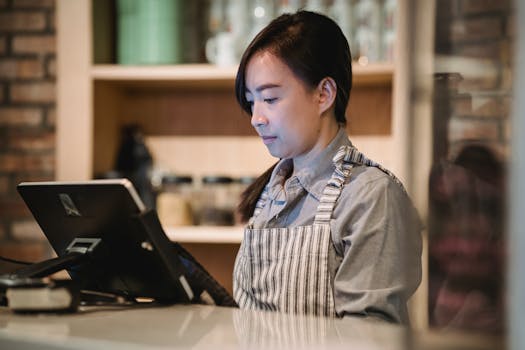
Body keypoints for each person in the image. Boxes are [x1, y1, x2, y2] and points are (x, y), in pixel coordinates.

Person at [231, 11, 422, 324]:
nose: (256, 117)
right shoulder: (268, 193)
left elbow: (368, 338)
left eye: (270, 98)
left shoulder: (371, 196)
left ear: (324, 94)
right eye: (251, 102)